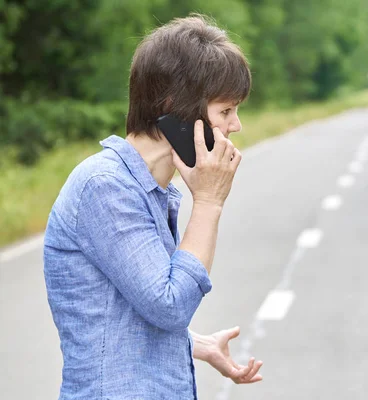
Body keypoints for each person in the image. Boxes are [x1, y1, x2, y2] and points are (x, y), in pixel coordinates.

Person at [43, 13, 263, 399]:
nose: (236, 126)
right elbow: (169, 306)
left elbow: (119, 312)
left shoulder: (147, 190)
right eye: (226, 111)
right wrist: (209, 203)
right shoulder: (105, 187)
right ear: (177, 108)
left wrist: (195, 344)